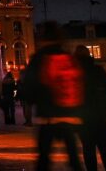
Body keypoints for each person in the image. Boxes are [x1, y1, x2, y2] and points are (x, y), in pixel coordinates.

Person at [22, 25, 84, 171]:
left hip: (47, 117)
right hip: (69, 116)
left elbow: (29, 87)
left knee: (43, 158)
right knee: (74, 159)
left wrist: (30, 101)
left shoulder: (39, 58)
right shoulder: (68, 56)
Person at [74, 45, 106, 171]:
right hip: (101, 114)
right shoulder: (98, 70)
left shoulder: (74, 73)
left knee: (88, 149)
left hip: (83, 116)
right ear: (89, 55)